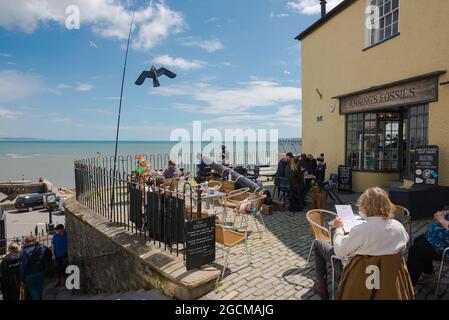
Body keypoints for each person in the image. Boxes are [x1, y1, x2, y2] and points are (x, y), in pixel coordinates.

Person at [312, 187, 409, 300]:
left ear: (365, 207)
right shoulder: (399, 226)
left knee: (318, 244)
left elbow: (339, 252)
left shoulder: (361, 230)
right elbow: (404, 249)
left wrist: (339, 229)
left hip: (360, 274)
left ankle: (321, 285)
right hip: (389, 275)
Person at [407, 210, 449, 287]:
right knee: (418, 241)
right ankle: (428, 274)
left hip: (444, 248)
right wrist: (445, 213)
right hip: (438, 239)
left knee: (414, 251)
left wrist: (441, 219)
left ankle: (408, 288)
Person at [20, 236, 52, 300]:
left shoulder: (25, 251)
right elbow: (49, 254)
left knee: (33, 290)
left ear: (26, 242)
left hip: (29, 274)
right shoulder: (42, 247)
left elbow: (24, 266)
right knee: (39, 288)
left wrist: (22, 278)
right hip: (40, 271)